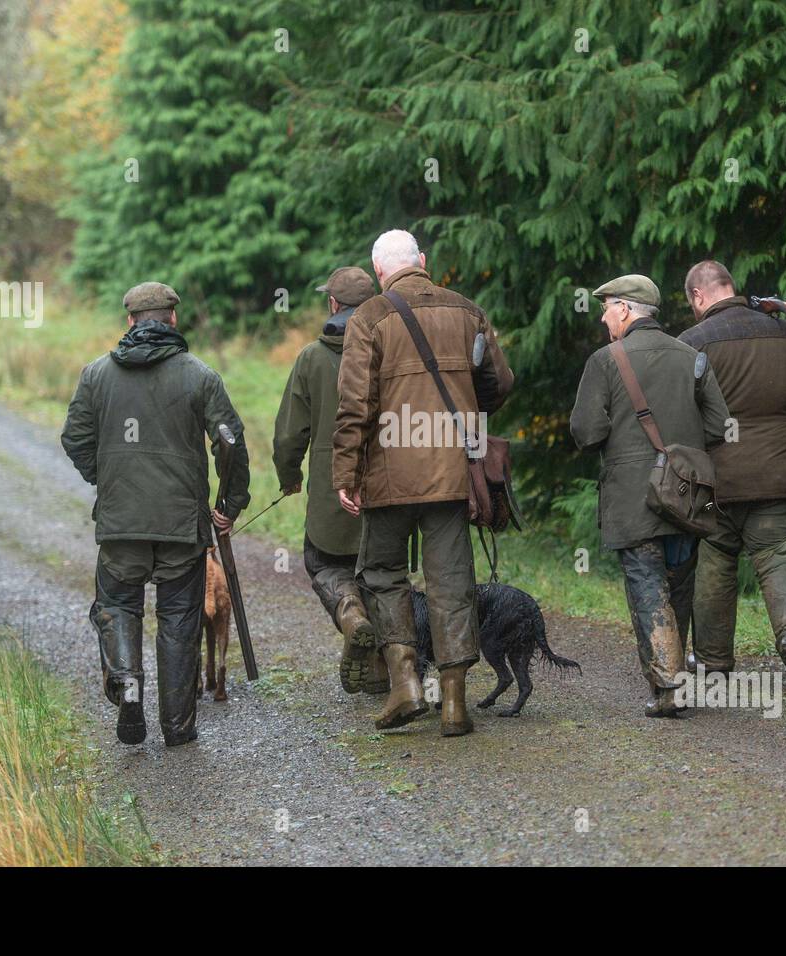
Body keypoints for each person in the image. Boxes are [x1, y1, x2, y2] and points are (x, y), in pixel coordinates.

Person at [333, 229, 513, 736]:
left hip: (387, 473)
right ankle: (454, 704)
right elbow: (499, 383)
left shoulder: (369, 317)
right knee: (451, 579)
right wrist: (466, 412)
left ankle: (406, 684)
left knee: (382, 572)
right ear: (423, 261)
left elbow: (355, 405)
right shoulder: (468, 311)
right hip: (451, 470)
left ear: (378, 272)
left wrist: (346, 472)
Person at [61, 282, 250, 746]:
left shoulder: (96, 375)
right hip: (181, 525)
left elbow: (75, 438)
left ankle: (128, 690)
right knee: (180, 617)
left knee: (118, 606)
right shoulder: (200, 376)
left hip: (121, 522)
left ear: (129, 321)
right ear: (173, 319)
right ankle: (177, 726)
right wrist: (229, 504)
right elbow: (230, 442)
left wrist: (108, 481)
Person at [570, 274, 729, 717]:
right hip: (686, 496)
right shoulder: (692, 357)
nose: (603, 318)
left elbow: (587, 432)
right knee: (679, 585)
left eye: (606, 308)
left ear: (624, 309)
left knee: (646, 585)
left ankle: (670, 686)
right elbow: (719, 426)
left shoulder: (605, 360)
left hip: (633, 498)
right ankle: (671, 682)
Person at [678, 260, 786, 687]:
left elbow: (679, 410)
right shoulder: (785, 332)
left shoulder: (691, 342)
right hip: (775, 473)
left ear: (698, 296)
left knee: (714, 565)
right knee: (780, 557)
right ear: (730, 286)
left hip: (717, 481)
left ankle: (712, 661)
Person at [273, 266, 388, 695]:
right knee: (382, 572)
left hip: (331, 487)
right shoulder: (392, 348)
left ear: (333, 304)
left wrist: (289, 476)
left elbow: (289, 434)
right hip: (388, 482)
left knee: (324, 563)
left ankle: (348, 611)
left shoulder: (312, 357)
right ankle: (383, 670)